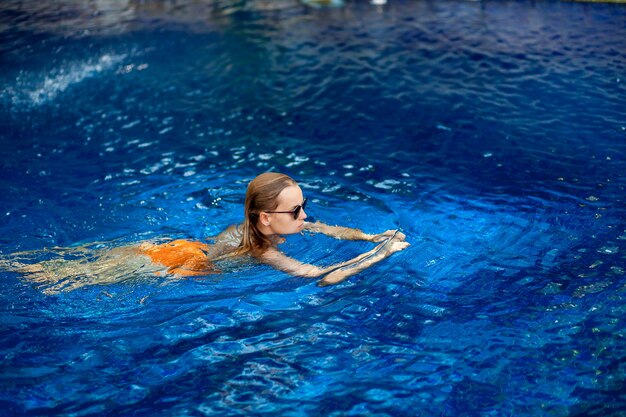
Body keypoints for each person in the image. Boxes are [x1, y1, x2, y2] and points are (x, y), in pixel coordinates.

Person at [3, 172, 409, 292]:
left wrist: (369, 237)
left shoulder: (261, 223)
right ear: (266, 218)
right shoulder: (261, 251)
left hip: (176, 248)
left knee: (63, 265)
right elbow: (322, 276)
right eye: (297, 210)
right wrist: (383, 254)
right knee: (54, 278)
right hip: (179, 263)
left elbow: (329, 229)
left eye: (304, 205)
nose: (307, 215)